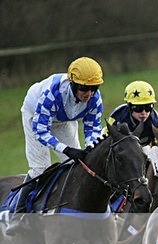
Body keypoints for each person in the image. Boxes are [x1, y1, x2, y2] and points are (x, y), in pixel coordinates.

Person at [7, 57, 104, 234]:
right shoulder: (53, 94)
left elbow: (93, 127)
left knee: (75, 165)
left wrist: (90, 148)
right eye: (84, 88)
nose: (89, 94)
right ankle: (17, 214)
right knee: (40, 169)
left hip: (63, 119)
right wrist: (66, 149)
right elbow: (41, 130)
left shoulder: (95, 99)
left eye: (94, 88)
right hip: (36, 116)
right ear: (73, 83)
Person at [108, 80, 158, 147]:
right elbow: (105, 143)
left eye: (148, 107)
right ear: (129, 106)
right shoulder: (117, 117)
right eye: (138, 108)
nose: (144, 112)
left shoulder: (155, 122)